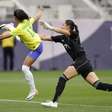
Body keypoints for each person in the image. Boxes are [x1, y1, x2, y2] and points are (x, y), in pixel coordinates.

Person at [40, 20, 112, 108]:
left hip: (81, 61)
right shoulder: (62, 38)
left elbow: (65, 32)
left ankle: (54, 102)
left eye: (63, 25)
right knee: (98, 85)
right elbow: (44, 37)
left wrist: (50, 27)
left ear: (68, 27)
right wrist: (28, 35)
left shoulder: (74, 34)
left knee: (63, 78)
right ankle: (54, 102)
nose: (62, 26)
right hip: (84, 63)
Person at [0, 8, 43, 100]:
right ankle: (10, 26)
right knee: (19, 37)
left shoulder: (19, 28)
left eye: (14, 16)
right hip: (36, 43)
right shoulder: (27, 21)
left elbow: (5, 36)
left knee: (25, 68)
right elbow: (36, 16)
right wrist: (40, 10)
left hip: (37, 48)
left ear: (16, 18)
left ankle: (33, 90)